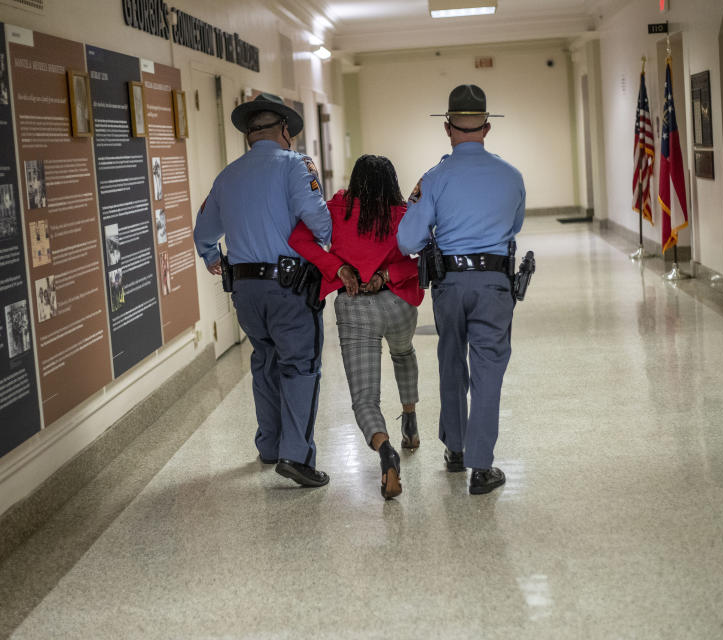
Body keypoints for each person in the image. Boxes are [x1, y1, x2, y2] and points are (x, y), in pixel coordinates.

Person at [193, 93, 332, 488]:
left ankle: (269, 445)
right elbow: (320, 223)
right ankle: (297, 456)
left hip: (245, 291)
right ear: (285, 130)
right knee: (300, 365)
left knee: (265, 361)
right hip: (289, 287)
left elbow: (203, 233)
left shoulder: (228, 175)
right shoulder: (295, 165)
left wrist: (211, 257)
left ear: (249, 136)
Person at [397, 85, 525, 495]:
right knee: (488, 370)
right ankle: (481, 468)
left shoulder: (433, 178)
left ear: (447, 129)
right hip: (495, 283)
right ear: (487, 128)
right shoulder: (511, 176)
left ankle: (454, 449)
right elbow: (516, 225)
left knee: (452, 360)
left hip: (450, 284)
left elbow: (407, 241)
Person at [289, 155, 423, 500]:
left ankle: (386, 452)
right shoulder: (404, 216)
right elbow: (424, 255)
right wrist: (388, 275)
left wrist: (339, 269)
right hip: (398, 305)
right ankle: (410, 420)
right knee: (403, 351)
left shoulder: (335, 211)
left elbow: (299, 240)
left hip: (354, 307)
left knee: (364, 398)